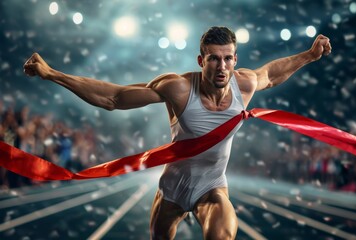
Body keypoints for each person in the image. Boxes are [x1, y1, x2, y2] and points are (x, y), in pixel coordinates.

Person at [23, 26, 331, 240]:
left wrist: (308, 55)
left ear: (235, 60)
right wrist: (52, 74)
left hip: (212, 186)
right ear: (201, 61)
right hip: (172, 188)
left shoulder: (244, 84)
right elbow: (114, 98)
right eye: (213, 58)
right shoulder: (179, 87)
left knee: (223, 234)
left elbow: (271, 74)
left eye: (227, 58)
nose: (221, 66)